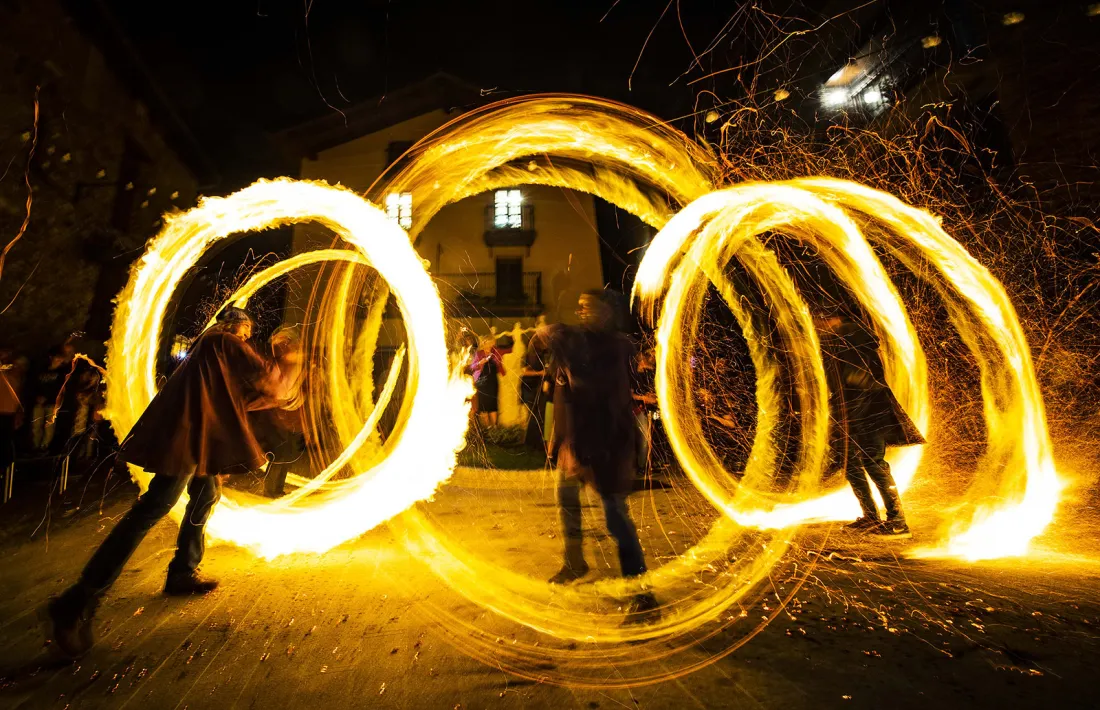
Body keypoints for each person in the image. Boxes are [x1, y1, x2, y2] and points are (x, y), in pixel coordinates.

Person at [44, 307, 300, 658]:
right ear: (237, 326)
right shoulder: (222, 341)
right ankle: (77, 601)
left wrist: (278, 392)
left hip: (193, 434)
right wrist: (292, 359)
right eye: (246, 333)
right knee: (153, 507)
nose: (246, 339)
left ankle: (183, 571)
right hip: (186, 437)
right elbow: (270, 379)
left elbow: (238, 398)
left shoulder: (205, 348)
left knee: (207, 492)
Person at [543, 289, 658, 623]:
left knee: (615, 517)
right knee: (566, 500)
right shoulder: (577, 346)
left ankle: (642, 593)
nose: (582, 313)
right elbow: (564, 394)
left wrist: (559, 338)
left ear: (608, 312)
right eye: (579, 307)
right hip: (576, 442)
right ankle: (574, 562)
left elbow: (588, 384)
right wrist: (557, 439)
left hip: (607, 444)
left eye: (589, 308)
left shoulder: (614, 346)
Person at [819, 313, 925, 538]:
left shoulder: (853, 340)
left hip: (869, 412)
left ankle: (897, 522)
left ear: (832, 318)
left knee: (873, 462)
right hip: (852, 412)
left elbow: (861, 380)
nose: (817, 326)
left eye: (821, 320)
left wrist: (847, 407)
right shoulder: (839, 343)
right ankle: (871, 517)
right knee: (850, 463)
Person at [470, 336, 505, 429]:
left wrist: (493, 359)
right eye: (487, 343)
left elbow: (499, 366)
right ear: (484, 344)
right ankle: (487, 427)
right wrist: (480, 363)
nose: (489, 345)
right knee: (483, 405)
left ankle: (494, 427)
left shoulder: (495, 354)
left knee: (493, 405)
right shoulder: (478, 354)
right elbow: (472, 367)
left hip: (493, 382)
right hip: (482, 382)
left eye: (491, 343)